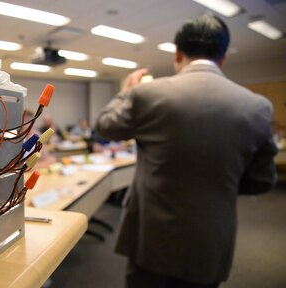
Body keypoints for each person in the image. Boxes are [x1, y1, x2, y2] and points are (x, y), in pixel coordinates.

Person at [95, 13, 278, 288]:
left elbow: (105, 128)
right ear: (223, 57)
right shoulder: (258, 106)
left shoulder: (148, 94)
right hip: (210, 240)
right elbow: (262, 181)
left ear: (177, 53)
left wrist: (125, 91)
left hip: (152, 237)